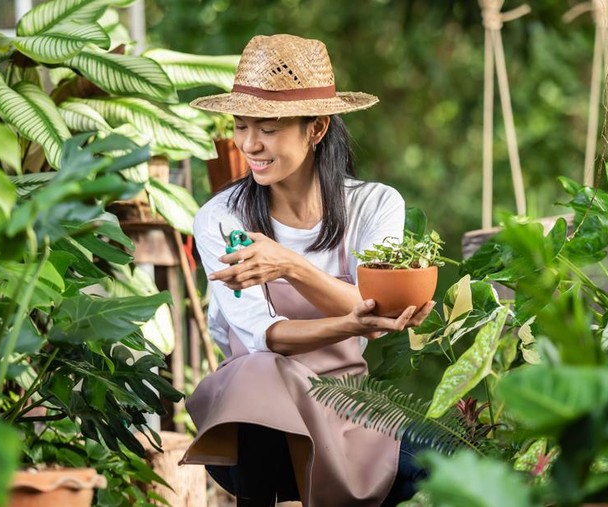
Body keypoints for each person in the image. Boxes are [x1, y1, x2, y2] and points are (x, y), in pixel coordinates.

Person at [180, 34, 434, 507]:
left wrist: (290, 266)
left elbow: (376, 310)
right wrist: (353, 320)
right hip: (248, 425)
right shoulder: (222, 218)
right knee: (260, 372)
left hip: (345, 407)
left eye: (268, 129)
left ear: (316, 129)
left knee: (444, 459)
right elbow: (266, 336)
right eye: (241, 126)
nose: (249, 144)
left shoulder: (374, 205)